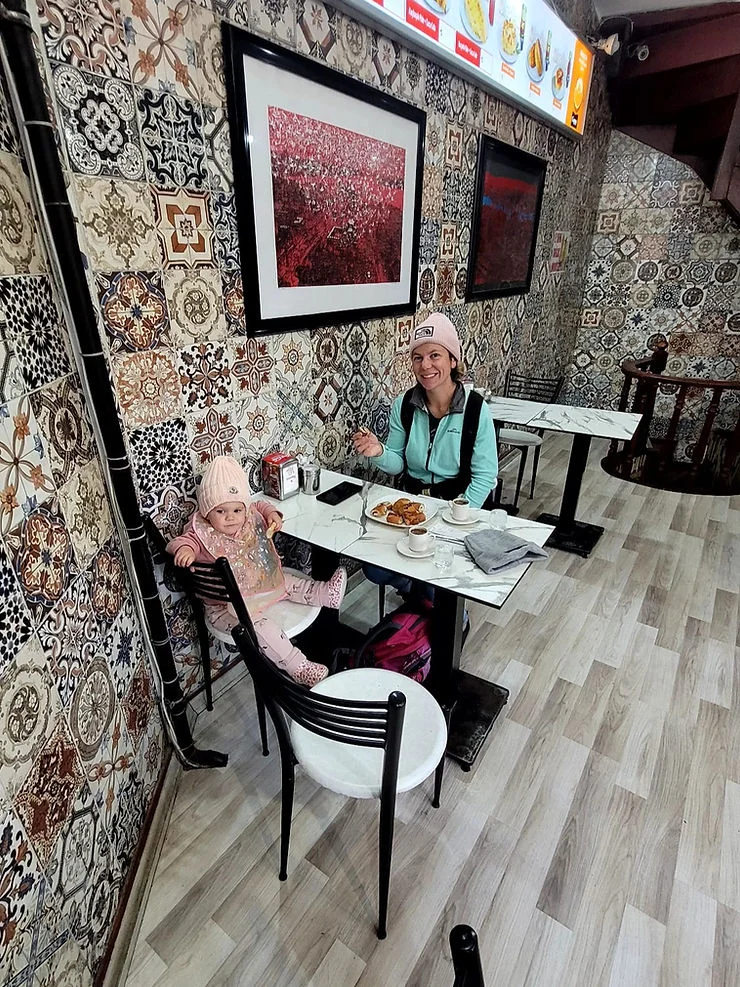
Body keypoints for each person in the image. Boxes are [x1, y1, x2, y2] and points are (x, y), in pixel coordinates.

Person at [352, 312, 498, 599]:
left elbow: (484, 476)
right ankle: (414, 592)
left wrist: (457, 519)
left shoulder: (476, 410)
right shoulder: (404, 405)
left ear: (453, 360)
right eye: (417, 358)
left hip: (456, 507)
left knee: (439, 581)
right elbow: (397, 464)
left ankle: (450, 612)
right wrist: (379, 451)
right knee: (375, 570)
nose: (426, 365)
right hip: (413, 507)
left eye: (435, 355)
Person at [167, 455, 347, 687]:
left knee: (287, 581)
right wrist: (185, 551)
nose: (230, 517)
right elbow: (183, 541)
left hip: (258, 586)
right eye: (220, 512)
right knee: (262, 629)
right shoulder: (201, 531)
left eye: (236, 510)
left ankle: (325, 593)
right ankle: (297, 666)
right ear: (206, 512)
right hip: (226, 608)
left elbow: (258, 506)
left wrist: (272, 514)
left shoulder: (248, 516)